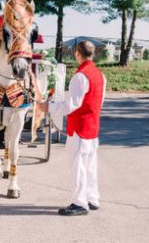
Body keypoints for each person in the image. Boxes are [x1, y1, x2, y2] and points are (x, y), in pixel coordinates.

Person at [42, 40, 106, 216]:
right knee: (90, 164)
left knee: (78, 165)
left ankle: (79, 203)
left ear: (78, 53)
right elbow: (98, 101)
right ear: (92, 54)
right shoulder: (100, 75)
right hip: (92, 126)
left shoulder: (80, 76)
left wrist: (48, 107)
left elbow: (71, 105)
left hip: (79, 127)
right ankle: (92, 198)